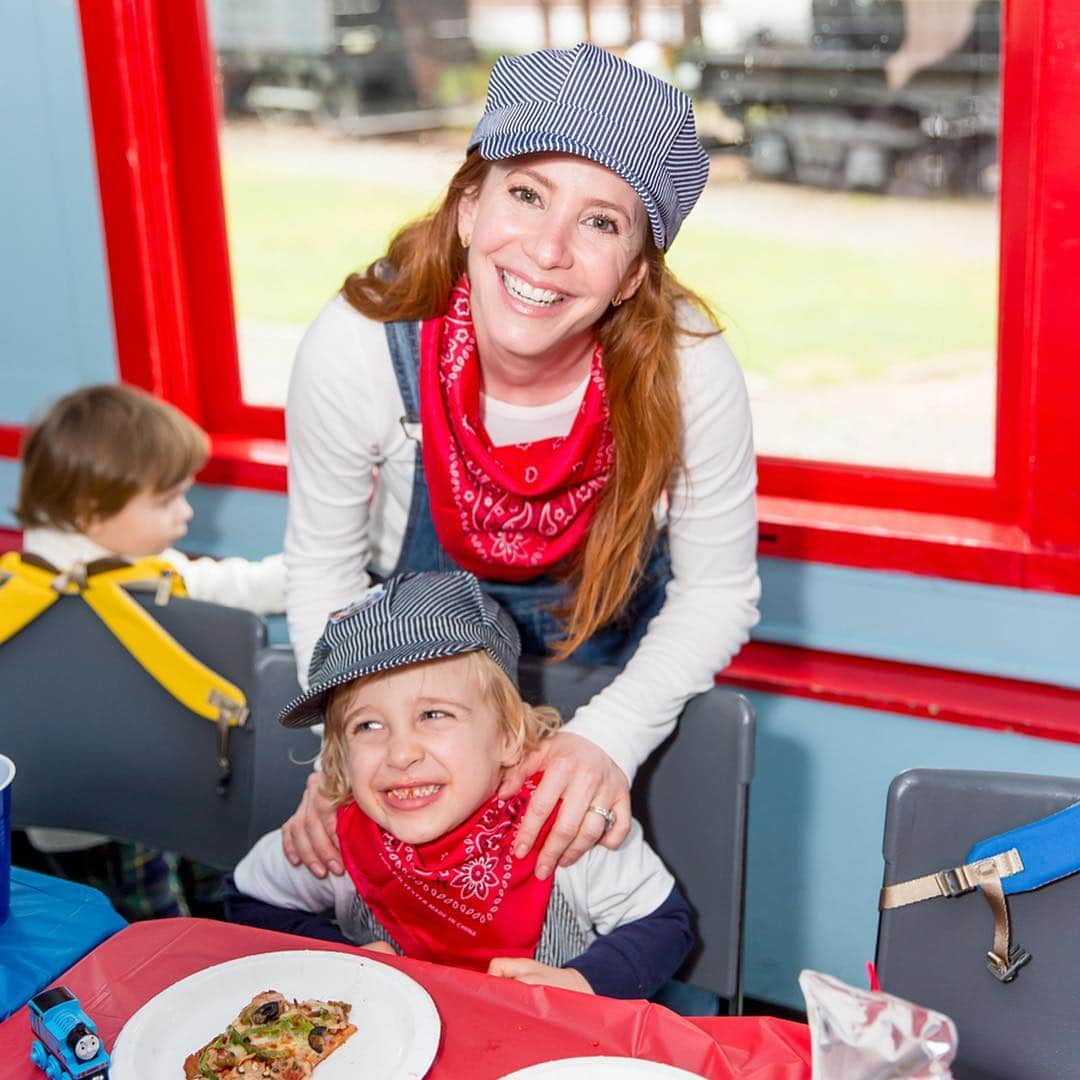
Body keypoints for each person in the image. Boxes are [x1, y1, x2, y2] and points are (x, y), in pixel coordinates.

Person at [283, 43, 760, 885]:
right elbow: (322, 570)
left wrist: (607, 737)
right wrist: (347, 748)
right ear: (469, 205)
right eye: (527, 193)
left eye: (601, 221)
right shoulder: (358, 345)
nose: (547, 250)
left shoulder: (689, 369)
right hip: (418, 705)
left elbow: (718, 591)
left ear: (632, 275)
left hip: (620, 688)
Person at [228, 571, 693, 999]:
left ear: (509, 737)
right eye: (367, 726)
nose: (400, 753)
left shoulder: (571, 820)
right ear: (340, 758)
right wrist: (334, 955)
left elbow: (664, 923)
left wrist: (584, 982)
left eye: (434, 715)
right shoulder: (335, 836)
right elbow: (246, 899)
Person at [8, 383, 286, 919]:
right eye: (166, 500)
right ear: (92, 510)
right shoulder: (158, 581)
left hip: (63, 813)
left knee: (126, 914)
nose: (184, 515)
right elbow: (247, 585)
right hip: (167, 792)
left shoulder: (17, 591)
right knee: (163, 915)